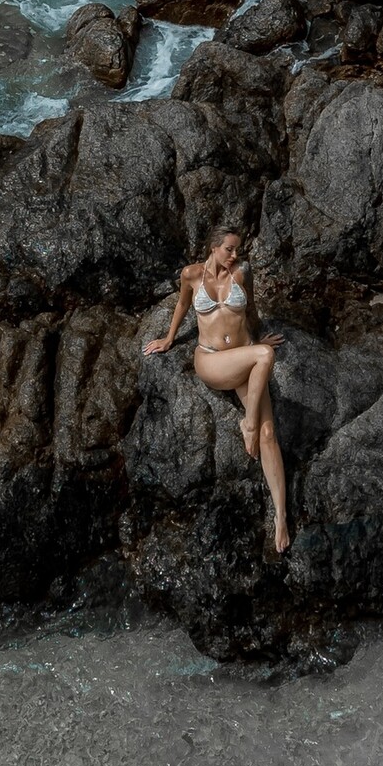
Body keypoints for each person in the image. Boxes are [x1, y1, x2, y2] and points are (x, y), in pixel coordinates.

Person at [142, 227, 289, 553]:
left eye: (238, 250)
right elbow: (182, 305)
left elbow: (250, 310)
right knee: (265, 356)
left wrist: (258, 337)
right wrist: (168, 338)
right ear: (213, 247)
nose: (235, 256)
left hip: (244, 359)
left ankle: (280, 515)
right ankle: (247, 424)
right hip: (212, 362)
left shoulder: (241, 273)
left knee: (268, 433)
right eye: (229, 249)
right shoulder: (192, 274)